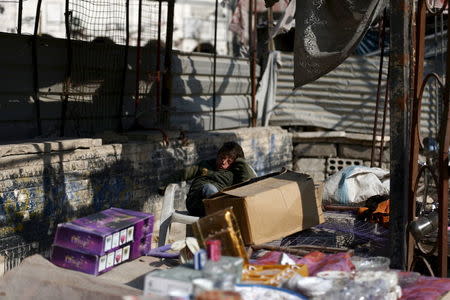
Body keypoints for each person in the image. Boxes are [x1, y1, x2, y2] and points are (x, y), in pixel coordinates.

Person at [161, 141, 256, 217]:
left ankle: (222, 217)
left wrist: (241, 162)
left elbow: (249, 183)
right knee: (208, 188)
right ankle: (222, 217)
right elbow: (184, 173)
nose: (223, 162)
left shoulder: (233, 173)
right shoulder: (205, 165)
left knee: (211, 189)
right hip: (196, 202)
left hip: (217, 205)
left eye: (229, 161)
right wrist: (164, 184)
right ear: (218, 155)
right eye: (222, 157)